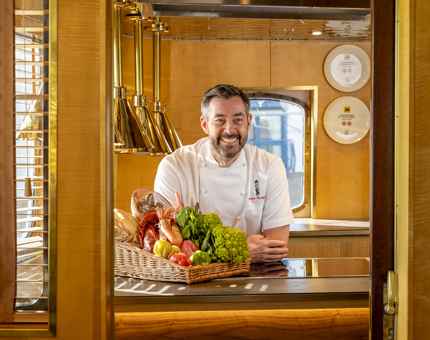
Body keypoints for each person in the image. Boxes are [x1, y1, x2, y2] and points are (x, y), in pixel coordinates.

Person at [154, 84, 295, 262]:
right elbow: (170, 247)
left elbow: (276, 247)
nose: (230, 130)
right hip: (194, 280)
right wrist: (243, 249)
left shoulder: (270, 166)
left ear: (249, 122)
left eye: (238, 120)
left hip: (254, 277)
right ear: (205, 125)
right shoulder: (174, 166)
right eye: (220, 120)